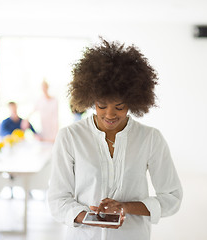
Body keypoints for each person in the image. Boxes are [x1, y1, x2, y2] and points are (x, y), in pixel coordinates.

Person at [47, 38, 183, 240]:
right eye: (102, 106)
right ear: (91, 99)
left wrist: (126, 207)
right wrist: (91, 218)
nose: (110, 114)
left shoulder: (150, 138)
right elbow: (58, 199)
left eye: (119, 107)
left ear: (133, 101)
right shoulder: (70, 137)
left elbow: (172, 198)